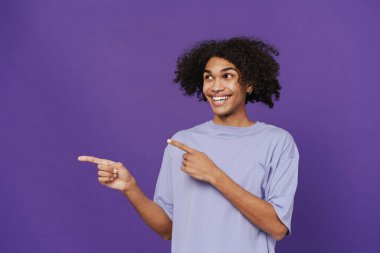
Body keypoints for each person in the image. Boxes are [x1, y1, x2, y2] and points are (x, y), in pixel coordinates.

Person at [78, 36, 300, 253]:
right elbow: (167, 229)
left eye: (228, 76)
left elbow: (277, 227)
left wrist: (214, 175)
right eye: (208, 77)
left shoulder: (277, 142)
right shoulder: (182, 143)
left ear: (249, 84)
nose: (216, 86)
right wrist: (130, 188)